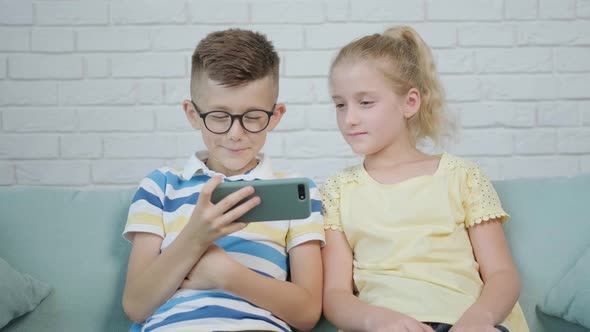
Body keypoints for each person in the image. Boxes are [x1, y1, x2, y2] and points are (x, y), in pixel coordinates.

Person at [320, 25, 529, 332]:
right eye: (340, 104)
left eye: (365, 103)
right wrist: (374, 318)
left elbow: (502, 274)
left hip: (465, 323)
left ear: (410, 103)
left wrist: (479, 318)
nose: (349, 118)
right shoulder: (336, 191)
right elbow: (335, 294)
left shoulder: (463, 177)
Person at [122, 28, 324, 332]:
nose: (235, 132)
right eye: (218, 115)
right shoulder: (161, 187)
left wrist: (227, 274)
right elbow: (136, 306)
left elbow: (307, 313)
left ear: (276, 115)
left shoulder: (299, 193)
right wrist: (195, 237)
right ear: (192, 114)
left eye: (253, 116)